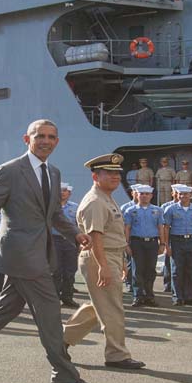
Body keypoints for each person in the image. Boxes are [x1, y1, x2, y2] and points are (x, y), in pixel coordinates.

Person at [0, 119, 103, 383]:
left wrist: (75, 233)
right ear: (26, 139)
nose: (46, 141)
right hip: (20, 253)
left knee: (3, 311)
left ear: (57, 142)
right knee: (50, 313)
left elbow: (53, 215)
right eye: (39, 136)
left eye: (51, 137)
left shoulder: (52, 172)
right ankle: (64, 376)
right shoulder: (9, 171)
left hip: (39, 253)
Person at [63, 153, 146, 370]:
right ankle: (117, 355)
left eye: (117, 173)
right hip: (100, 256)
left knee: (99, 305)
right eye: (108, 173)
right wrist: (104, 267)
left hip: (111, 255)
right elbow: (96, 237)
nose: (115, 177)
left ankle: (59, 341)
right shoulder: (95, 202)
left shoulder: (106, 197)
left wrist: (119, 261)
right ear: (95, 177)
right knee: (112, 308)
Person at [124, 185, 165, 307]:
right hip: (137, 242)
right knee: (138, 270)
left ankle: (149, 296)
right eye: (142, 194)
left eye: (147, 194)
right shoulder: (130, 211)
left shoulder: (158, 210)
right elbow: (127, 228)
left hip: (152, 242)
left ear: (151, 196)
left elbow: (160, 227)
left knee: (150, 270)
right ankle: (138, 296)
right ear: (137, 195)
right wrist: (126, 244)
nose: (144, 196)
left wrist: (162, 243)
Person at [163, 185, 192, 306]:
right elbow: (166, 228)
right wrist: (166, 246)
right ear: (177, 195)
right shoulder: (171, 209)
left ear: (190, 195)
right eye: (181, 194)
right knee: (176, 270)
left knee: (190, 269)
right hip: (177, 241)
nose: (183, 197)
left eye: (186, 194)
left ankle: (190, 296)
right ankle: (177, 297)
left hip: (191, 241)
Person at [52, 183, 80, 307]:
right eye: (60, 191)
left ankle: (67, 297)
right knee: (55, 270)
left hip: (70, 241)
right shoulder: (51, 207)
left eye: (65, 191)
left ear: (69, 193)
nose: (62, 193)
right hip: (54, 240)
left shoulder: (75, 207)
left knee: (70, 270)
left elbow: (79, 225)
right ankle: (54, 298)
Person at [160, 185, 182, 292]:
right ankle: (168, 284)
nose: (178, 195)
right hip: (169, 235)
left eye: (180, 193)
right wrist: (164, 242)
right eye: (176, 192)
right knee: (168, 261)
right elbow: (163, 225)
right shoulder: (165, 206)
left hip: (179, 235)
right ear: (172, 193)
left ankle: (178, 285)